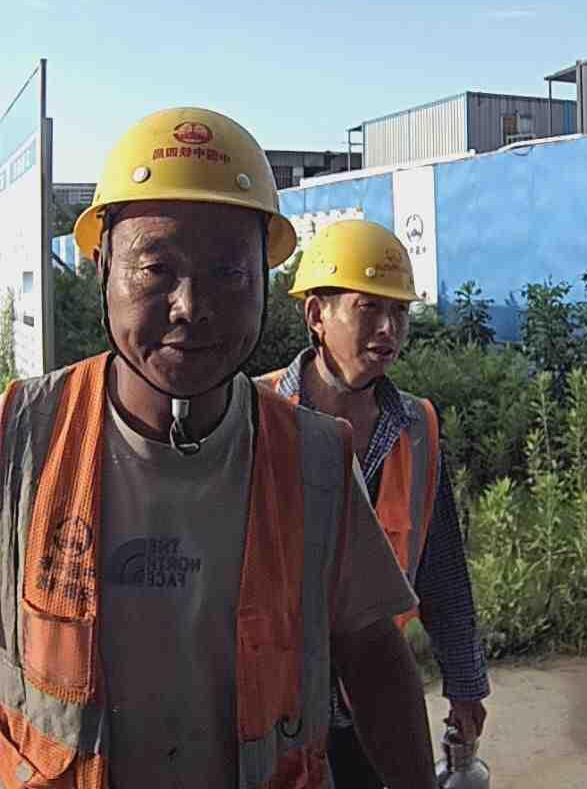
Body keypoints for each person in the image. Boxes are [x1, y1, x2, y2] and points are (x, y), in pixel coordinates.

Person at [0, 109, 435, 788]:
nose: (191, 305)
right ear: (102, 267)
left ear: (265, 278)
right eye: (156, 267)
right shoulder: (20, 436)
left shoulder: (316, 460)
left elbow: (374, 655)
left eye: (229, 270)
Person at [259, 218, 490, 789]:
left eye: (399, 312)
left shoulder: (416, 427)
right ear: (317, 314)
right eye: (368, 308)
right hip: (268, 709)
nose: (388, 329)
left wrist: (465, 685)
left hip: (373, 704)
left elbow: (440, 570)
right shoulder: (255, 415)